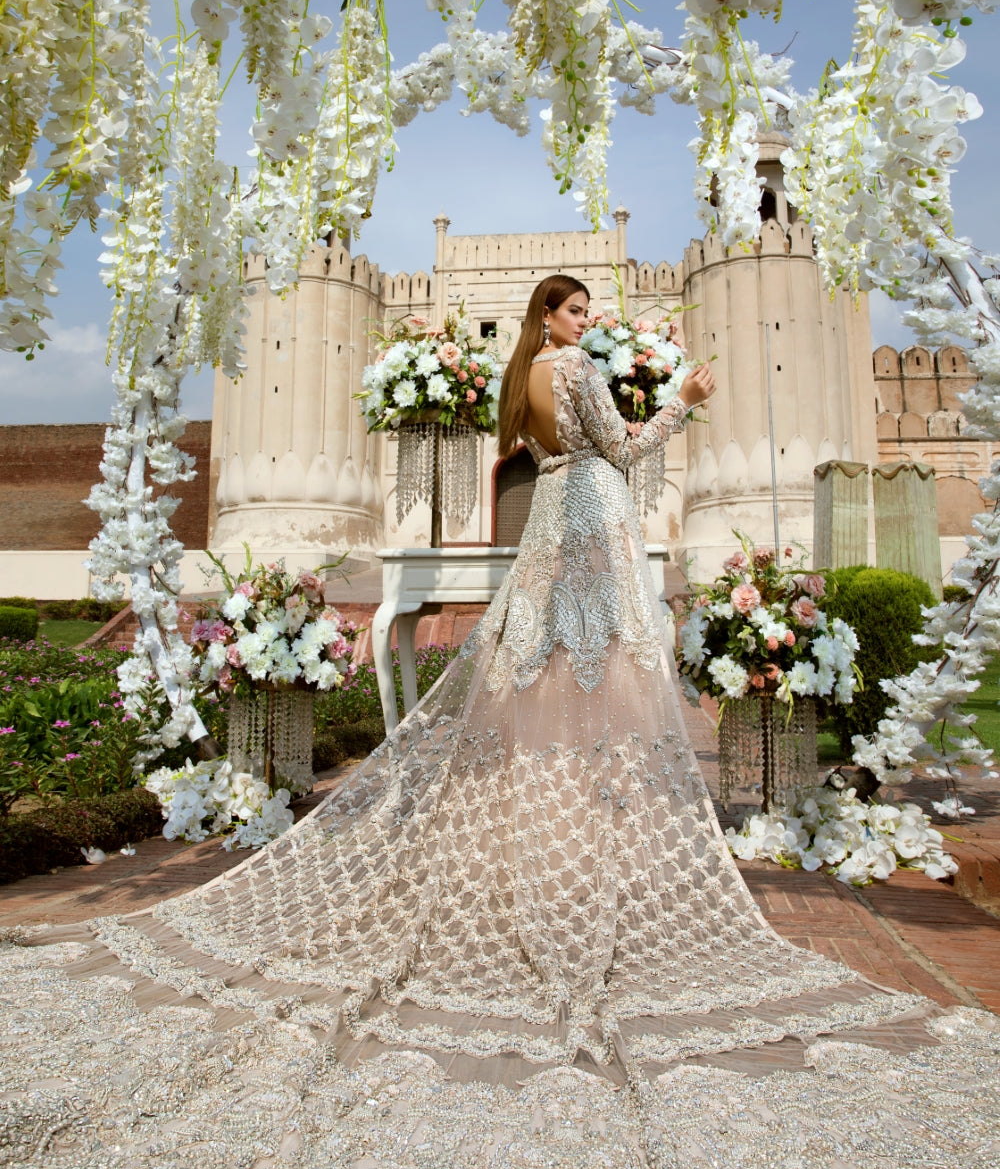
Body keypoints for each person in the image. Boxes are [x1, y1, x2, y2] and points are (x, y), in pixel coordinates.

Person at [73, 274, 919, 1087]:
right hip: (591, 511)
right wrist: (683, 404)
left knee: (543, 667)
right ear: (545, 314)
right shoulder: (580, 370)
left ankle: (547, 835)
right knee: (597, 671)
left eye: (589, 310)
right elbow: (622, 450)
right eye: (575, 309)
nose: (587, 321)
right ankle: (587, 845)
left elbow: (559, 447)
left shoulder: (523, 376)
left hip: (553, 514)